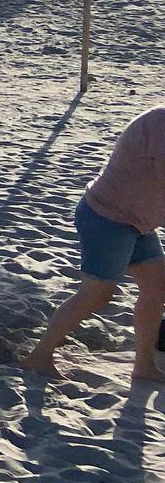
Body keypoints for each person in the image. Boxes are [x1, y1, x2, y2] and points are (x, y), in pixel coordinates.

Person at [21, 108, 165, 383]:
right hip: (108, 217)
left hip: (139, 221)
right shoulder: (161, 121)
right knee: (96, 294)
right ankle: (39, 356)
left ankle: (144, 366)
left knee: (157, 287)